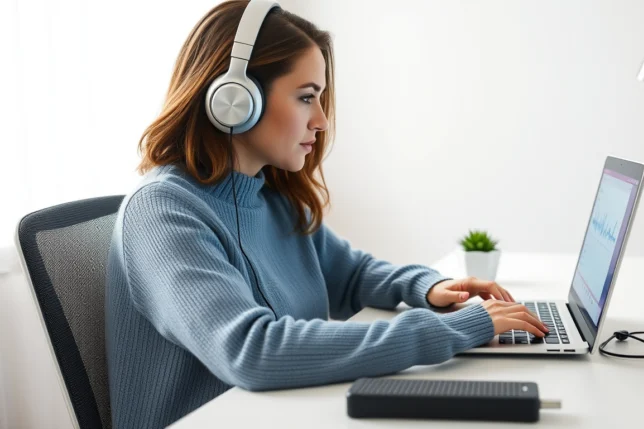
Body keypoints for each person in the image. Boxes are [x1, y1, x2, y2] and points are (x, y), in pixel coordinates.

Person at [105, 1, 548, 427]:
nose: (320, 120)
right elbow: (252, 351)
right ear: (235, 99)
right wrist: (450, 330)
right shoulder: (162, 212)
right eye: (305, 97)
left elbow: (351, 276)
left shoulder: (273, 200)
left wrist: (430, 288)